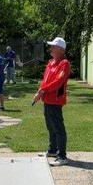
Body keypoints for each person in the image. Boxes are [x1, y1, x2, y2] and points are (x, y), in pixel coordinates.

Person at [33, 37, 71, 166]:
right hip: (47, 100)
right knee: (50, 126)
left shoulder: (64, 64)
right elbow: (45, 80)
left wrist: (43, 90)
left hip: (56, 101)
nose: (51, 49)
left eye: (53, 47)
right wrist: (39, 91)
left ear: (60, 49)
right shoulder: (51, 63)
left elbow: (58, 82)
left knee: (58, 128)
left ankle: (62, 156)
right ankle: (53, 150)